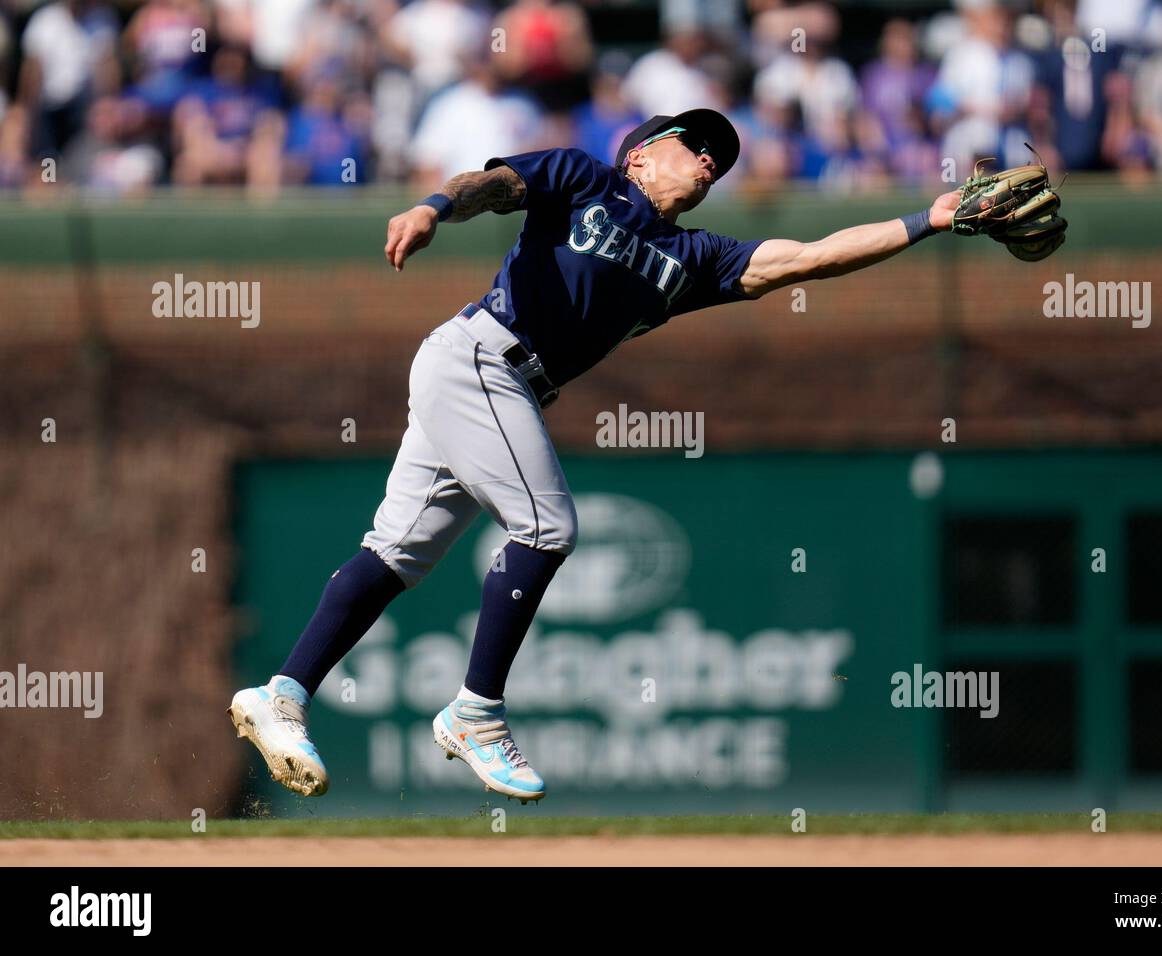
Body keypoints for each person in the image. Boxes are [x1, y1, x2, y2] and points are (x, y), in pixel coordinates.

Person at [229, 108, 961, 803]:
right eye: (693, 144)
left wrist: (926, 220)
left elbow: (811, 256)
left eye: (720, 160)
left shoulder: (697, 256)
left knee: (395, 555)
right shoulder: (587, 179)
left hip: (502, 382)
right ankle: (475, 714)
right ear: (640, 152)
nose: (709, 161)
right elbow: (491, 186)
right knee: (547, 529)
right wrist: (432, 208)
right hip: (481, 358)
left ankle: (281, 694)